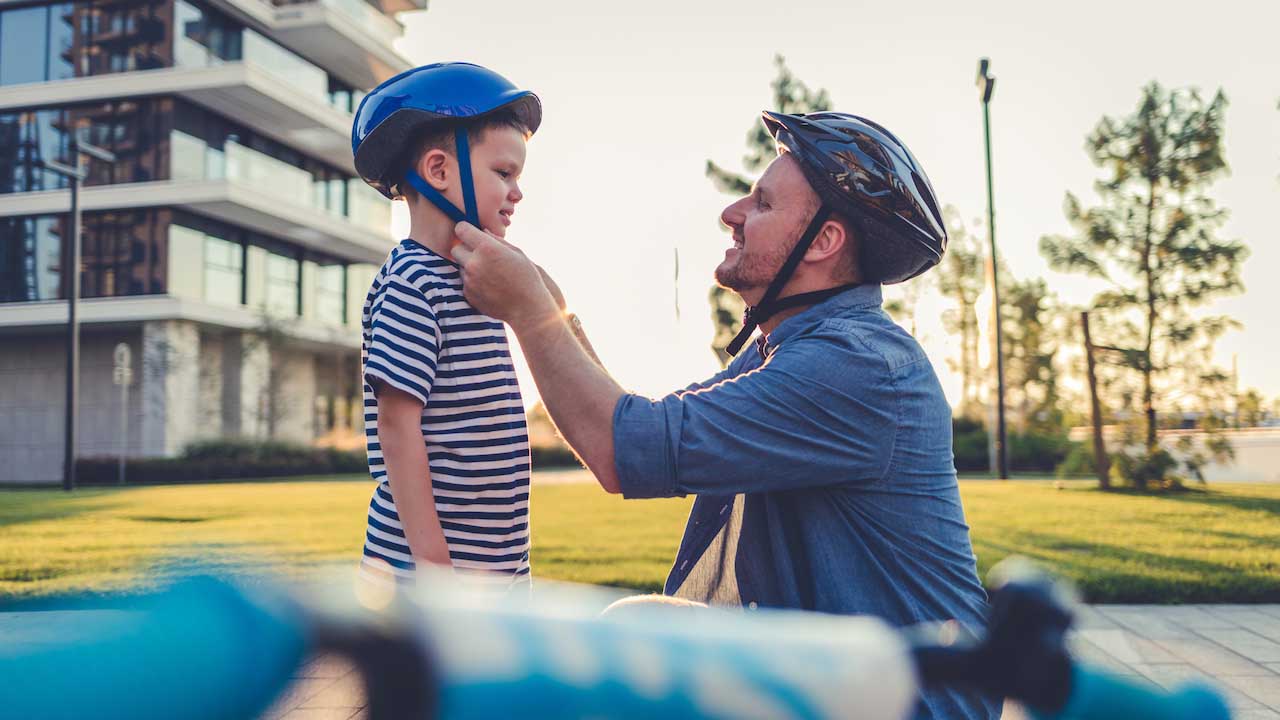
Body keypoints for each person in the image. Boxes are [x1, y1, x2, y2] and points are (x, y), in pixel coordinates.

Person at [452, 110, 1001, 718]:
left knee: (613, 660)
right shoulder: (792, 350)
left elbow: (624, 447)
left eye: (762, 204)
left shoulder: (856, 367)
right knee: (636, 630)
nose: (732, 215)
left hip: (906, 702)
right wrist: (554, 307)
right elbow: (652, 421)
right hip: (842, 679)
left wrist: (529, 312)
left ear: (823, 242)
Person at [349, 62, 550, 592]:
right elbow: (397, 429)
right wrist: (434, 567)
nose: (517, 193)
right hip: (426, 576)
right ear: (439, 171)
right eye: (504, 174)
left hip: (493, 568)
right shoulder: (413, 283)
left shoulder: (477, 278)